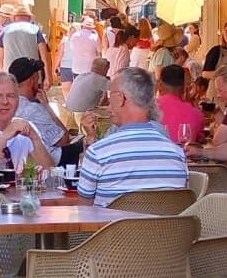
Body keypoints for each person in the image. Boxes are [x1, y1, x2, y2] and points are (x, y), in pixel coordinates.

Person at [77, 66, 190, 206]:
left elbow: (84, 209)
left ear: (120, 98)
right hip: (167, 227)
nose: (108, 103)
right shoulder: (177, 154)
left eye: (109, 95)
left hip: (110, 227)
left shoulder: (98, 153)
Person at [8, 56, 77, 163]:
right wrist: (47, 106)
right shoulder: (33, 109)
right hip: (50, 162)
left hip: (18, 160)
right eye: (37, 79)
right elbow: (63, 140)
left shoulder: (6, 105)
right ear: (31, 81)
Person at [156, 64, 206, 146]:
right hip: (182, 157)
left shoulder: (146, 109)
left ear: (160, 85)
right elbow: (200, 141)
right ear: (184, 88)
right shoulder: (197, 114)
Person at [0, 6, 52, 83]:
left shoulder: (5, 30)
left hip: (10, 75)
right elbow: (44, 55)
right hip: (31, 75)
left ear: (14, 18)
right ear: (29, 18)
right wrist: (48, 77)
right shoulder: (35, 30)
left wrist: (2, 73)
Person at [61, 14, 102, 94]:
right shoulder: (95, 37)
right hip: (90, 67)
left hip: (77, 67)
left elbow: (72, 48)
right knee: (89, 89)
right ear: (92, 27)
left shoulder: (75, 36)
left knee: (78, 88)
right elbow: (99, 51)